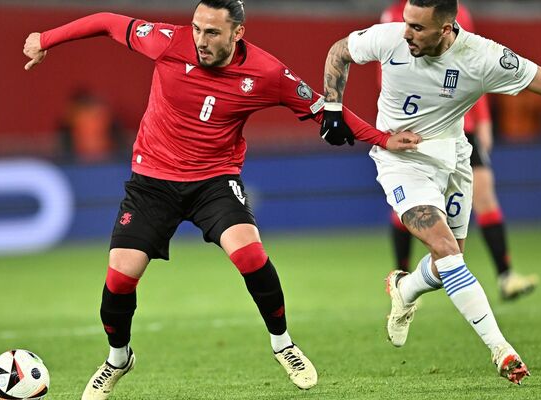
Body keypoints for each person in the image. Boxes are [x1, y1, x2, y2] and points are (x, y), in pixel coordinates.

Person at [22, 1, 421, 398]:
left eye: (212, 32)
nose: (200, 39)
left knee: (250, 255)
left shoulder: (266, 72)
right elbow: (107, 22)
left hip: (214, 182)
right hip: (152, 182)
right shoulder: (166, 41)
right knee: (119, 278)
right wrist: (46, 39)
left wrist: (383, 138)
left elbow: (323, 108)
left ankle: (283, 344)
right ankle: (117, 358)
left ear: (237, 33)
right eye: (197, 28)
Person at [321, 0, 541, 385]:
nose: (407, 33)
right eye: (407, 23)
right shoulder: (390, 37)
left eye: (418, 28)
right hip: (401, 159)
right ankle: (501, 349)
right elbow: (338, 52)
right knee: (446, 249)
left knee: (446, 265)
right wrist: (334, 108)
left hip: (454, 157)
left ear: (446, 28)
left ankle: (405, 288)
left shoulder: (484, 57)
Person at [381, 0, 538, 301]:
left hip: (460, 126)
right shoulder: (396, 15)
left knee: (484, 194)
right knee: (406, 205)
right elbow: (388, 73)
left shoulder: (456, 11)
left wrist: (483, 121)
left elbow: (471, 70)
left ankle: (506, 276)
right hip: (418, 126)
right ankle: (400, 278)